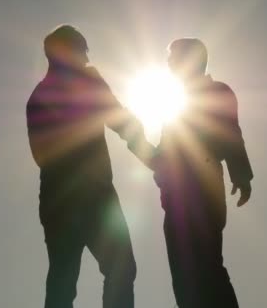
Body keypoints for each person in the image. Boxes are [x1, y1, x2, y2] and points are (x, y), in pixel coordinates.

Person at [26, 25, 154, 308]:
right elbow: (120, 119)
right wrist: (154, 157)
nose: (86, 59)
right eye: (82, 52)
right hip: (90, 196)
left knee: (64, 279)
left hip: (58, 198)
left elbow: (40, 155)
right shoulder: (85, 82)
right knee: (113, 269)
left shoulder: (37, 98)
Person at [153, 38, 254, 308]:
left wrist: (241, 175)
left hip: (203, 190)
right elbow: (165, 151)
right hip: (176, 199)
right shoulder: (173, 102)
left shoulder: (217, 92)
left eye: (173, 57)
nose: (168, 63)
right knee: (184, 277)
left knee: (207, 268)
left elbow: (232, 134)